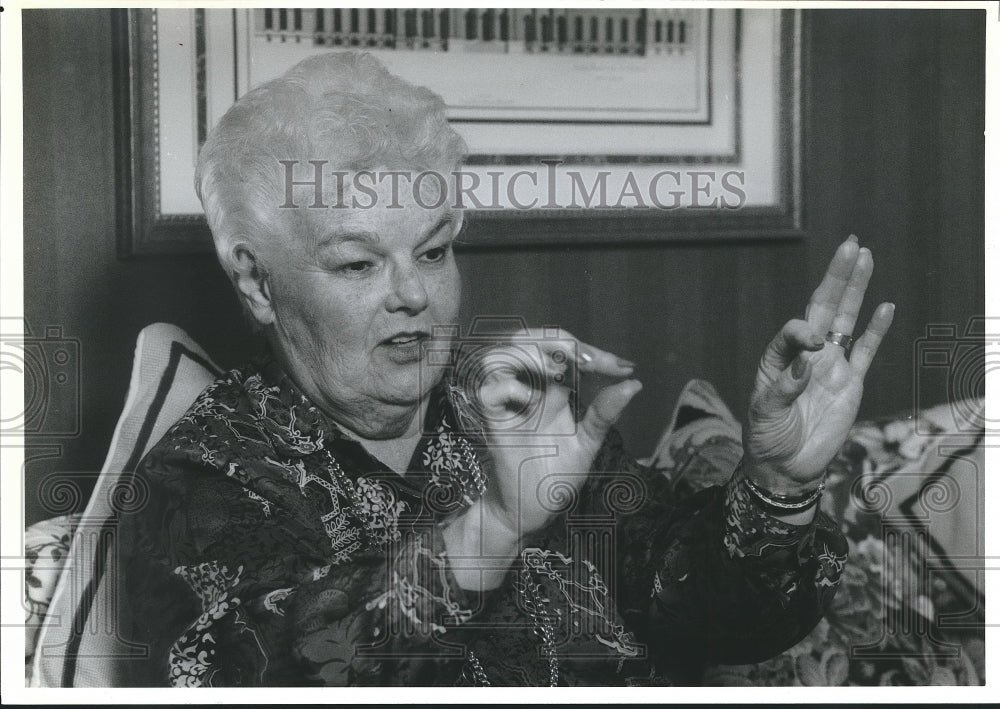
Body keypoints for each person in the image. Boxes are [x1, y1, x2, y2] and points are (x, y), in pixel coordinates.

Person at [117, 52, 894, 687]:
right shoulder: (197, 482)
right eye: (358, 263)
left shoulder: (508, 405)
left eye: (433, 249)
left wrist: (778, 485)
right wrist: (492, 526)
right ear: (257, 282)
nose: (415, 294)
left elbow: (709, 612)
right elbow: (273, 665)